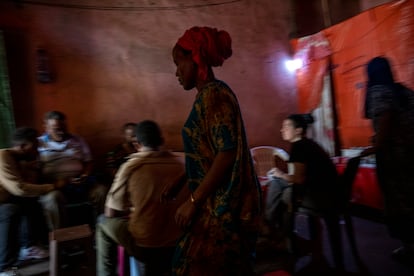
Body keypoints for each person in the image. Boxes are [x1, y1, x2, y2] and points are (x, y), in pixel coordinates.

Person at [168, 26, 262, 275]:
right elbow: (206, 153)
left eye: (179, 63)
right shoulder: (206, 98)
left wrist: (191, 201)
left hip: (222, 207)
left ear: (195, 58)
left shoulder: (214, 97)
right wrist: (182, 180)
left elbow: (226, 153)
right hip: (212, 204)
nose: (176, 73)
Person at [96, 120, 188, 276]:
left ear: (136, 144)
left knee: (102, 222)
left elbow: (110, 213)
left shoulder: (130, 166)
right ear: (162, 140)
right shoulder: (180, 164)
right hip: (179, 245)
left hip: (146, 248)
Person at [267, 114, 342, 268]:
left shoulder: (300, 146)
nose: (282, 130)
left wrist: (279, 173)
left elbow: (298, 179)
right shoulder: (308, 144)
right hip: (331, 194)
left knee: (280, 187)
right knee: (284, 191)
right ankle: (282, 237)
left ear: (299, 130)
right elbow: (300, 178)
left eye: (287, 126)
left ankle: (273, 231)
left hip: (321, 198)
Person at [362, 56, 414, 262]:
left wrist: (375, 146)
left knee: (400, 203)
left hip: (395, 158)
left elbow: (385, 120)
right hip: (411, 154)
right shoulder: (403, 91)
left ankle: (409, 247)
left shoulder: (378, 92)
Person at [0, 127, 64, 272]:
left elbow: (30, 186)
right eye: (34, 147)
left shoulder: (19, 160)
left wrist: (33, 169)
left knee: (30, 201)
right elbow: (19, 188)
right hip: (3, 204)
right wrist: (52, 186)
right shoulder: (3, 156)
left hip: (7, 199)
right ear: (22, 146)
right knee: (10, 210)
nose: (37, 151)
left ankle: (28, 247)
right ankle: (4, 267)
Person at [37, 110, 108, 230]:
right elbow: (34, 169)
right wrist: (57, 182)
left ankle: (101, 232)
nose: (61, 131)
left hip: (80, 183)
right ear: (46, 128)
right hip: (54, 186)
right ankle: (61, 239)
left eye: (63, 127)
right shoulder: (39, 143)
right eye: (56, 128)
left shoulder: (78, 140)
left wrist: (85, 174)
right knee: (52, 199)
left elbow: (88, 162)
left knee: (101, 191)